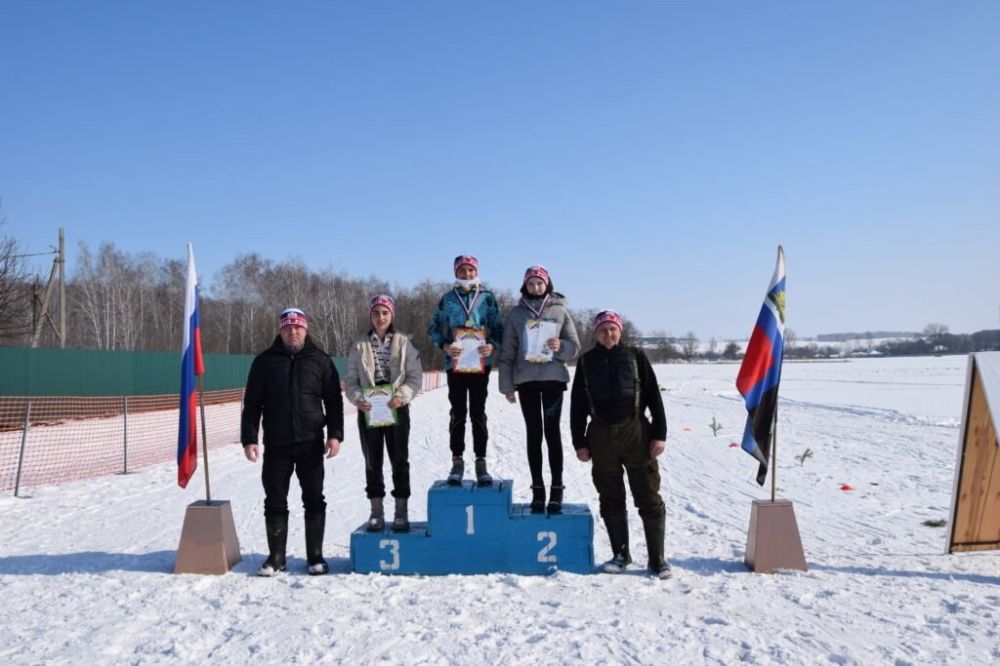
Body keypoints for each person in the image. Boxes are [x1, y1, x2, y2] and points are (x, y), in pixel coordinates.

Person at [241, 307, 344, 577]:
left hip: (311, 443)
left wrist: (335, 434)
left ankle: (315, 557)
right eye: (287, 327)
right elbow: (252, 403)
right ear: (280, 330)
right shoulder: (264, 361)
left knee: (314, 498)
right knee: (275, 500)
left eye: (298, 327)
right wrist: (249, 438)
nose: (293, 331)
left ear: (306, 329)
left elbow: (333, 401)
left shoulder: (320, 360)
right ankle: (276, 558)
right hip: (277, 444)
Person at [570, 310, 671, 579]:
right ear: (595, 333)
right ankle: (621, 554)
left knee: (648, 495)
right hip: (601, 435)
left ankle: (657, 559)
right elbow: (577, 406)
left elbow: (653, 398)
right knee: (611, 497)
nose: (608, 333)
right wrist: (579, 442)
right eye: (603, 329)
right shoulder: (586, 362)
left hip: (636, 432)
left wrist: (659, 434)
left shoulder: (635, 357)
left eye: (612, 329)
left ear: (620, 331)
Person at [498, 265, 579, 514]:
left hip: (553, 379)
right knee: (534, 433)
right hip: (527, 381)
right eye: (531, 284)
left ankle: (556, 489)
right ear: (525, 286)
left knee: (552, 433)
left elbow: (575, 346)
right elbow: (507, 352)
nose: (535, 287)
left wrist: (560, 345)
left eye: (540, 283)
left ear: (547, 285)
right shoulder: (516, 315)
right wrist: (507, 385)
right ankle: (537, 489)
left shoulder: (560, 311)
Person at [345, 295, 423, 533]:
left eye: (385, 313)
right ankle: (376, 511)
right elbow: (350, 380)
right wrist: (358, 398)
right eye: (376, 313)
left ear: (392, 315)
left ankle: (401, 511)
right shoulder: (359, 344)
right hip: (369, 409)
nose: (381, 317)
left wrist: (402, 396)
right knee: (372, 460)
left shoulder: (403, 342)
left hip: (396, 407)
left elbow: (415, 376)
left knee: (399, 459)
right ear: (371, 316)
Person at [427, 254, 504, 485]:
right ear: (455, 272)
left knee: (478, 413)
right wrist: (444, 345)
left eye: (470, 270)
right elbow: (433, 327)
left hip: (480, 364)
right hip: (456, 364)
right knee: (458, 412)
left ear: (476, 271)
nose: (467, 274)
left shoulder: (487, 298)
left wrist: (493, 345)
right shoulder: (448, 299)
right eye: (462, 270)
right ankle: (457, 461)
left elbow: (498, 328)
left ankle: (481, 462)